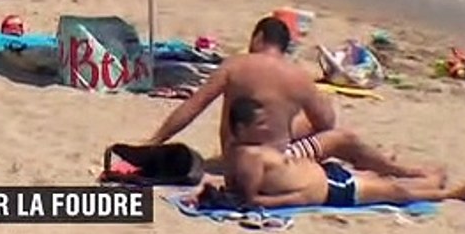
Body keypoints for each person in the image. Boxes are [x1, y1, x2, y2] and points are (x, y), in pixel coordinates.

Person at [144, 16, 437, 178]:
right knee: (342, 138)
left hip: (233, 156)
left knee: (303, 127)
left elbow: (192, 107)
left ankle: (373, 161)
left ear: (258, 38)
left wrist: (153, 142)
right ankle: (396, 169)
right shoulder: (298, 77)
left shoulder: (234, 65)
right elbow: (327, 122)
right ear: (283, 46)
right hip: (268, 164)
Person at [204, 97, 465, 209]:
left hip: (327, 176)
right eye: (259, 124)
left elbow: (237, 186)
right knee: (395, 192)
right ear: (241, 128)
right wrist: (303, 198)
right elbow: (253, 199)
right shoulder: (250, 158)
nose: (266, 128)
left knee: (378, 181)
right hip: (329, 188)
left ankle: (428, 181)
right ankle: (454, 193)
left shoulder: (244, 149)